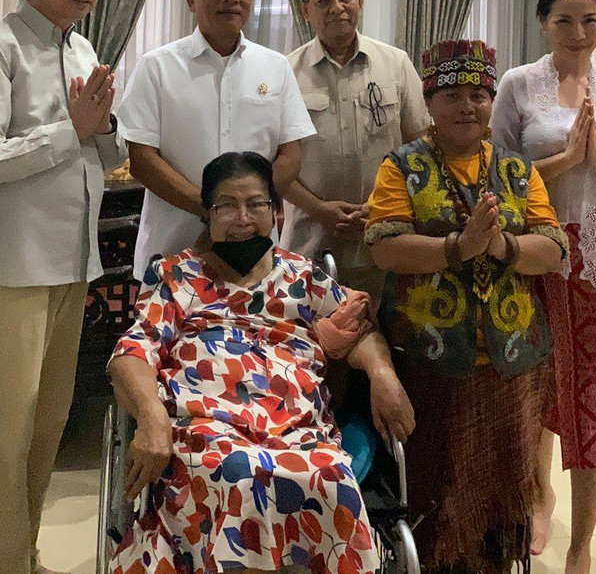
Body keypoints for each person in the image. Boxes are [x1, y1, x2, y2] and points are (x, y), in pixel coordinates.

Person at [108, 151, 415, 574]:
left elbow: (359, 328)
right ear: (207, 214)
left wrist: (383, 374)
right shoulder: (178, 276)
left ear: (275, 211)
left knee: (333, 479)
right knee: (237, 473)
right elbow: (132, 352)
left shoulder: (302, 276)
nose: (242, 217)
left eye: (256, 204)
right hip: (207, 431)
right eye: (227, 205)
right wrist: (150, 416)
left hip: (297, 430)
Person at [365, 39, 568, 574]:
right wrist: (458, 247)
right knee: (438, 492)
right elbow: (384, 245)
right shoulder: (402, 166)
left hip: (513, 363)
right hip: (431, 364)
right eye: (452, 94)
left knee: (503, 494)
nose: (467, 106)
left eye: (479, 94)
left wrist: (503, 247)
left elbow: (554, 248)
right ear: (429, 103)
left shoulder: (518, 172)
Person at [491, 0, 596, 574]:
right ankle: (538, 495)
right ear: (542, 22)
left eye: (590, 21)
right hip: (533, 253)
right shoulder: (518, 84)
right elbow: (494, 177)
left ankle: (579, 547)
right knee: (538, 383)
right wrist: (561, 161)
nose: (578, 34)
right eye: (564, 21)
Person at [0, 0, 126, 574]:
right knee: (7, 428)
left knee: (50, 421)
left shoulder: (83, 52)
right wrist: (69, 128)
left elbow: (102, 154)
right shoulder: (4, 45)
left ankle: (24, 548)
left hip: (75, 261)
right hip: (12, 267)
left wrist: (103, 131)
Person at [118, 0, 316, 280]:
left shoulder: (275, 66)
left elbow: (291, 154)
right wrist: (214, 211)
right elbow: (142, 159)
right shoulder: (156, 67)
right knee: (166, 332)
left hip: (257, 253)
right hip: (172, 248)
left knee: (261, 331)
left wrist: (247, 214)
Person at [281, 0, 427, 298]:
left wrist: (378, 206)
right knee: (313, 344)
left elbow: (420, 150)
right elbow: (274, 162)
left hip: (388, 240)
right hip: (309, 246)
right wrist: (319, 209)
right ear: (305, 10)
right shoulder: (285, 73)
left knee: (388, 341)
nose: (337, 8)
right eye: (323, 2)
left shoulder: (396, 63)